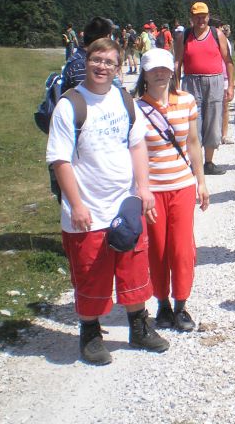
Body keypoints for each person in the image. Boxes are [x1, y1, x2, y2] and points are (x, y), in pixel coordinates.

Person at [46, 37, 169, 365]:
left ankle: (139, 327)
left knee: (133, 269)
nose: (102, 67)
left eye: (109, 63)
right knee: (91, 273)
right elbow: (60, 161)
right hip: (87, 210)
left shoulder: (123, 100)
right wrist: (77, 204)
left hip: (124, 205)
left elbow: (137, 146)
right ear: (86, 62)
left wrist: (143, 188)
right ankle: (90, 333)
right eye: (96, 60)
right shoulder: (70, 105)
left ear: (118, 67)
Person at [132, 47, 209, 332]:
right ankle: (162, 304)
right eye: (154, 70)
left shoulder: (187, 101)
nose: (160, 74)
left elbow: (193, 143)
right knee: (158, 249)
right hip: (153, 190)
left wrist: (201, 181)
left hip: (182, 185)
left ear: (173, 71)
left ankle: (181, 304)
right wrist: (142, 189)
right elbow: (135, 151)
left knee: (181, 248)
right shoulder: (137, 109)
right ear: (145, 74)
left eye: (164, 69)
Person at [173, 2, 235, 176]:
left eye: (204, 16)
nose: (201, 19)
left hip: (214, 80)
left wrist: (230, 85)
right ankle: (196, 162)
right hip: (191, 82)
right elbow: (177, 63)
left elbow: (228, 61)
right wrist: (175, 87)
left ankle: (208, 162)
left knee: (213, 120)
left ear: (208, 16)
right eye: (197, 16)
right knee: (193, 121)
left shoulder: (217, 34)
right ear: (191, 18)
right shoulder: (184, 36)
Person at [63, 17, 115, 92]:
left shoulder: (82, 58)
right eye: (109, 37)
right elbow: (86, 99)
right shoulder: (82, 64)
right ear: (103, 39)